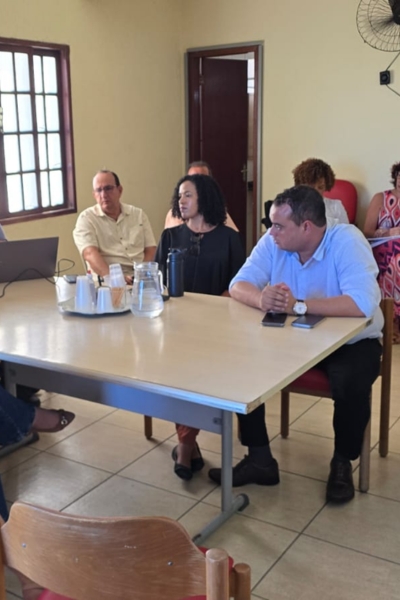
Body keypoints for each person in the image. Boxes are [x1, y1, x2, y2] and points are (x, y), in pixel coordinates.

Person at [208, 185, 383, 504]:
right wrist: (261, 298)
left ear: (306, 227)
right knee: (243, 365)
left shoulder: (346, 240)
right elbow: (238, 285)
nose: (271, 231)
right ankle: (260, 458)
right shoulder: (274, 241)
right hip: (292, 337)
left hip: (351, 342)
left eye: (278, 225)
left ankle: (342, 462)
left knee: (351, 380)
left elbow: (362, 303)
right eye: (271, 224)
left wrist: (299, 305)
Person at [156, 174, 245, 480]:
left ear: (204, 198)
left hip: (217, 328)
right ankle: (187, 444)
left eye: (188, 195)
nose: (181, 201)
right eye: (179, 195)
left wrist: (212, 310)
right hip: (175, 327)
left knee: (197, 375)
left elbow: (239, 284)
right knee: (178, 374)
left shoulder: (229, 238)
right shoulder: (170, 236)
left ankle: (185, 446)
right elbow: (158, 281)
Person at [73, 170, 156, 284]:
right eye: (99, 190)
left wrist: (141, 275)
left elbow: (150, 249)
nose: (103, 195)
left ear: (120, 190)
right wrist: (116, 279)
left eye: (108, 188)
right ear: (94, 195)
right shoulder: (87, 219)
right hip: (107, 282)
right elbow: (90, 254)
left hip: (141, 279)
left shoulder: (138, 214)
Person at [363, 161, 400, 343]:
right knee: (397, 261)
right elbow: (367, 231)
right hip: (382, 249)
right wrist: (390, 232)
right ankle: (392, 321)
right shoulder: (381, 198)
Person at [164, 161, 238, 231]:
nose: (196, 184)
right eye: (191, 179)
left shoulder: (219, 212)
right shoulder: (173, 215)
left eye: (201, 180)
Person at [292, 158, 349, 226]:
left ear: (326, 186)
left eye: (321, 187)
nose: (316, 191)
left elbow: (347, 231)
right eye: (311, 187)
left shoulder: (336, 207)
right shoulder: (291, 207)